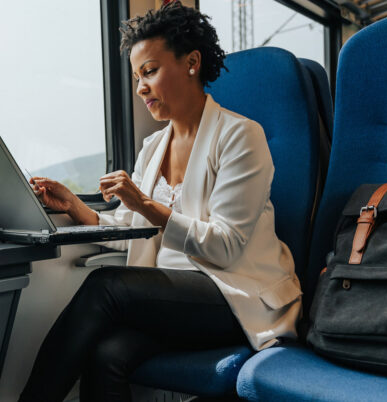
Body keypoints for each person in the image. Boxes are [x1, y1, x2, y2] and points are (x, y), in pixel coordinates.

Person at [19, 2, 301, 401]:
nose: (140, 89)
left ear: (191, 62)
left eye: (149, 71)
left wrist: (145, 204)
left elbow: (224, 247)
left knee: (105, 286)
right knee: (105, 355)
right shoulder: (152, 147)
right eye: (137, 77)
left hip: (235, 295)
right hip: (174, 301)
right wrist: (75, 208)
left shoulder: (241, 136)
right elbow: (132, 231)